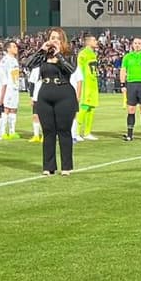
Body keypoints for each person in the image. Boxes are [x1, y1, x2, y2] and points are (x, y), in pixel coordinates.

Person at [28, 28, 81, 175]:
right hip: (45, 94)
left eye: (58, 38)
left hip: (64, 93)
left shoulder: (69, 54)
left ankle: (66, 167)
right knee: (48, 131)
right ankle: (48, 166)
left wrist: (59, 54)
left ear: (62, 40)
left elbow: (71, 69)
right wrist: (41, 50)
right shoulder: (44, 56)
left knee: (64, 131)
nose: (54, 40)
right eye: (52, 37)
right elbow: (28, 64)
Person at [75, 34, 100, 141]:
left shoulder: (93, 54)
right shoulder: (83, 54)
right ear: (88, 42)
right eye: (94, 40)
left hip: (93, 83)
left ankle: (87, 132)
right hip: (86, 84)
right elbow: (78, 69)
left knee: (91, 108)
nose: (96, 41)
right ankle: (76, 132)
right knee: (84, 108)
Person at [0, 40, 22, 139]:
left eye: (16, 47)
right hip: (8, 88)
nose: (16, 48)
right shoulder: (5, 60)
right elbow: (1, 75)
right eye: (13, 47)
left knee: (13, 109)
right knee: (6, 109)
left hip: (14, 87)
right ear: (8, 49)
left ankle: (12, 131)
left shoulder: (14, 59)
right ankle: (3, 132)